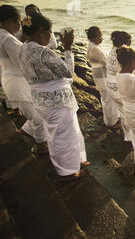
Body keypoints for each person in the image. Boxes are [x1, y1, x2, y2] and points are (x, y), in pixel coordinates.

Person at [18, 13, 88, 181]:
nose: (50, 36)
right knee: (64, 136)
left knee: (59, 133)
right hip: (57, 101)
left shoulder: (23, 48)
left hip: (41, 99)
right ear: (41, 31)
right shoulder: (43, 52)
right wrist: (68, 49)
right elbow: (68, 72)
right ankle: (67, 172)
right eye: (50, 32)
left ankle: (77, 160)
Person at [0, 5, 47, 153]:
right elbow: (23, 61)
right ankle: (41, 146)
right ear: (8, 21)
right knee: (38, 117)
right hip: (17, 82)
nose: (19, 25)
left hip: (11, 79)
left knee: (34, 111)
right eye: (17, 22)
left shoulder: (3, 35)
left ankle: (25, 132)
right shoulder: (7, 38)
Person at [86, 26, 116, 127]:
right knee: (107, 98)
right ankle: (110, 122)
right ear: (93, 37)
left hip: (100, 75)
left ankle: (110, 120)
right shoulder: (94, 49)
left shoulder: (94, 46)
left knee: (106, 98)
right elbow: (106, 62)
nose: (101, 38)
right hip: (101, 76)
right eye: (99, 36)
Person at [106, 31, 131, 139]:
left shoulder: (112, 51)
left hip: (110, 84)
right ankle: (129, 136)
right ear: (124, 42)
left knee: (122, 110)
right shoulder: (120, 54)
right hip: (117, 85)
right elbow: (124, 71)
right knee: (126, 111)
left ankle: (127, 133)